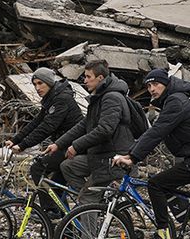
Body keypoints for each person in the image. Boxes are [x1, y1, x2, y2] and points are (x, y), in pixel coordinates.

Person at [112, 68, 190, 239]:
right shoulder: (174, 99)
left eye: (156, 84)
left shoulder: (176, 101)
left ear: (166, 83)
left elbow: (158, 132)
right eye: (148, 86)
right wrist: (131, 153)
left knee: (155, 184)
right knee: (165, 186)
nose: (152, 89)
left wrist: (133, 157)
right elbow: (154, 131)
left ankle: (165, 236)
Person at [46, 60, 134, 197]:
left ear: (100, 78)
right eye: (84, 77)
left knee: (87, 198)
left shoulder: (112, 97)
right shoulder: (99, 97)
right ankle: (95, 204)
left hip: (112, 158)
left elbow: (104, 130)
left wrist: (76, 146)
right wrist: (58, 144)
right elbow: (83, 125)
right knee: (67, 166)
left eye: (88, 77)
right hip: (99, 156)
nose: (85, 81)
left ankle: (90, 203)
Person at [6, 68, 83, 184]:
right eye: (34, 84)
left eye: (40, 83)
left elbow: (47, 127)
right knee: (56, 187)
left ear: (49, 82)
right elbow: (37, 122)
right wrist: (15, 140)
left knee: (37, 169)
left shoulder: (61, 99)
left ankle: (47, 203)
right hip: (64, 144)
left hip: (72, 145)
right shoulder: (51, 98)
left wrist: (23, 145)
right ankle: (55, 202)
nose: (37, 88)